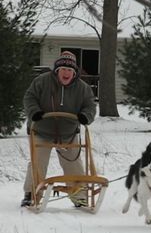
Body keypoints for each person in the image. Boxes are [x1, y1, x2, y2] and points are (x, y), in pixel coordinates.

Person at [21, 51, 97, 207]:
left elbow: (90, 105)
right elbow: (29, 97)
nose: (66, 73)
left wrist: (85, 116)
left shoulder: (83, 88)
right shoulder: (42, 81)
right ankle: (31, 193)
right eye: (63, 69)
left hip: (68, 132)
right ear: (57, 70)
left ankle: (79, 195)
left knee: (74, 163)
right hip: (41, 129)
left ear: (74, 73)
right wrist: (34, 112)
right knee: (38, 162)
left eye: (70, 70)